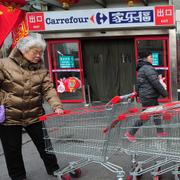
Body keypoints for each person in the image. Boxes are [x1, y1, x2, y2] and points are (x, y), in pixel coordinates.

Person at [0, 33, 64, 180]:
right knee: (12, 149)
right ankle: (18, 176)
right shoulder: (4, 64)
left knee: (44, 145)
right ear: (23, 50)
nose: (38, 55)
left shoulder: (40, 68)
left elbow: (48, 88)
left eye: (41, 52)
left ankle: (53, 169)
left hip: (34, 114)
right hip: (10, 116)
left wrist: (56, 106)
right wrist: (3, 100)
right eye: (35, 52)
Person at [125, 51, 168, 143]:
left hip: (148, 95)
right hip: (149, 96)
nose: (152, 58)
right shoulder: (147, 68)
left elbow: (139, 83)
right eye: (150, 57)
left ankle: (160, 132)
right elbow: (155, 82)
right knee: (146, 116)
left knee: (157, 113)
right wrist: (164, 93)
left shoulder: (142, 68)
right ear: (145, 58)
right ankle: (130, 133)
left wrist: (137, 93)